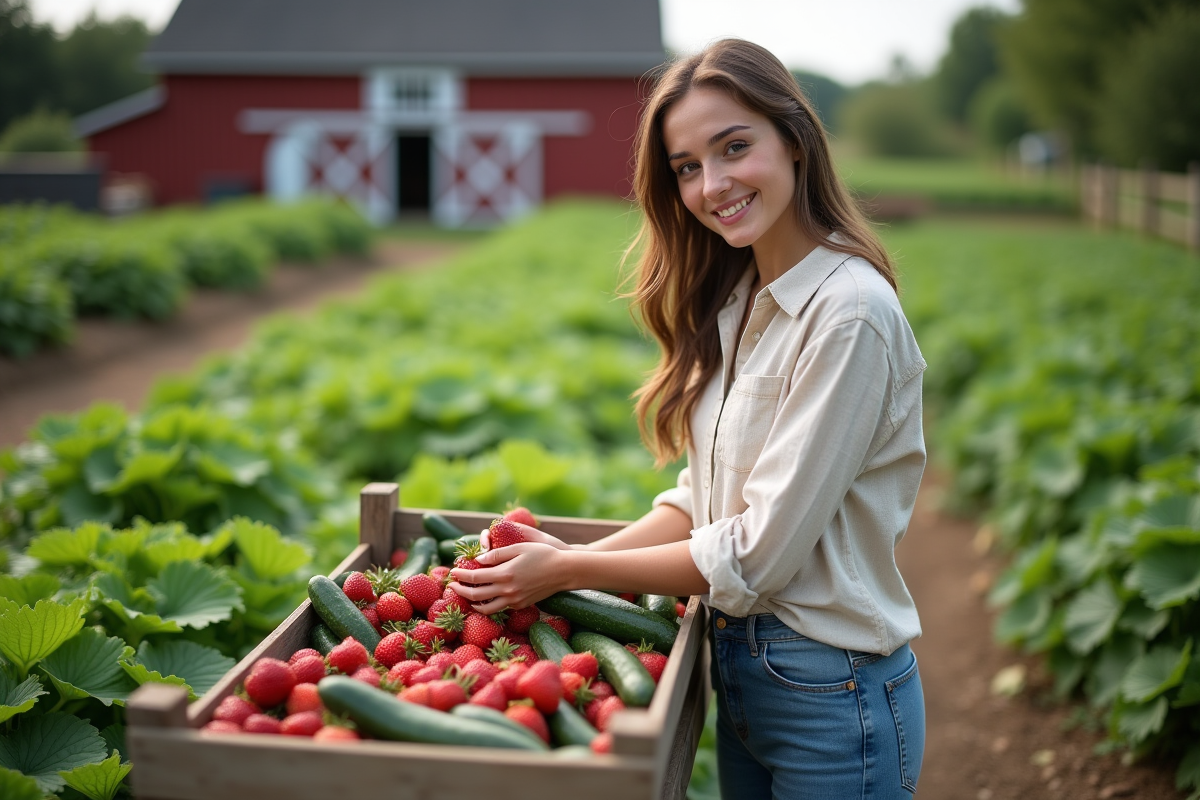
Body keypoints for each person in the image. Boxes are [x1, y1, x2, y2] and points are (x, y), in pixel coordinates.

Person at [449, 37, 927, 799]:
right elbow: (703, 504)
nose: (714, 184)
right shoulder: (742, 300)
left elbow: (758, 552)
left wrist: (573, 567)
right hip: (742, 674)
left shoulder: (848, 314)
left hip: (833, 692)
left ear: (796, 141)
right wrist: (565, 563)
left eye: (735, 147)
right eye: (688, 167)